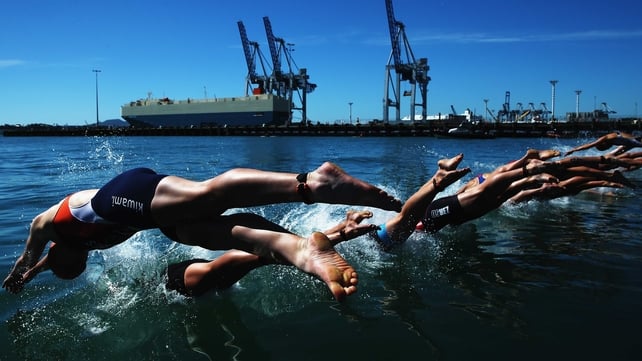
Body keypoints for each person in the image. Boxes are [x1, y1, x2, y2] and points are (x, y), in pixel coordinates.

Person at [3, 163, 402, 299]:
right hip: (150, 218)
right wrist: (31, 277)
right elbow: (44, 266)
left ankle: (311, 183)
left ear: (61, 251)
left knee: (209, 196)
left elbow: (30, 256)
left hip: (123, 194)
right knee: (223, 235)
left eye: (69, 262)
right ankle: (302, 251)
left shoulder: (53, 225)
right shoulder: (77, 251)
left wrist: (20, 272)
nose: (81, 260)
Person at [564, 131, 642, 157]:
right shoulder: (613, 142)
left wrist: (574, 150)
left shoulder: (606, 138)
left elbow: (590, 145)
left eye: (606, 148)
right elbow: (625, 146)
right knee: (615, 154)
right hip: (633, 143)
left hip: (637, 140)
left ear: (603, 144)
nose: (608, 147)